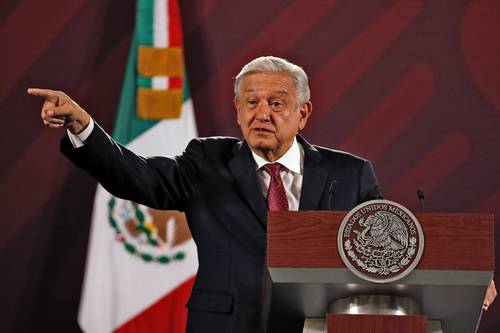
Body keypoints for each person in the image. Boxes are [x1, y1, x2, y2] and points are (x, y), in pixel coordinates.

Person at [29, 56, 494, 332]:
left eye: (277, 103)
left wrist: (456, 275)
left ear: (303, 112)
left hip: (317, 330)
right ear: (236, 109)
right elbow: (137, 176)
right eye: (250, 102)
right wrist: (83, 128)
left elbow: (381, 252)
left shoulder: (350, 174)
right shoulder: (207, 162)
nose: (262, 113)